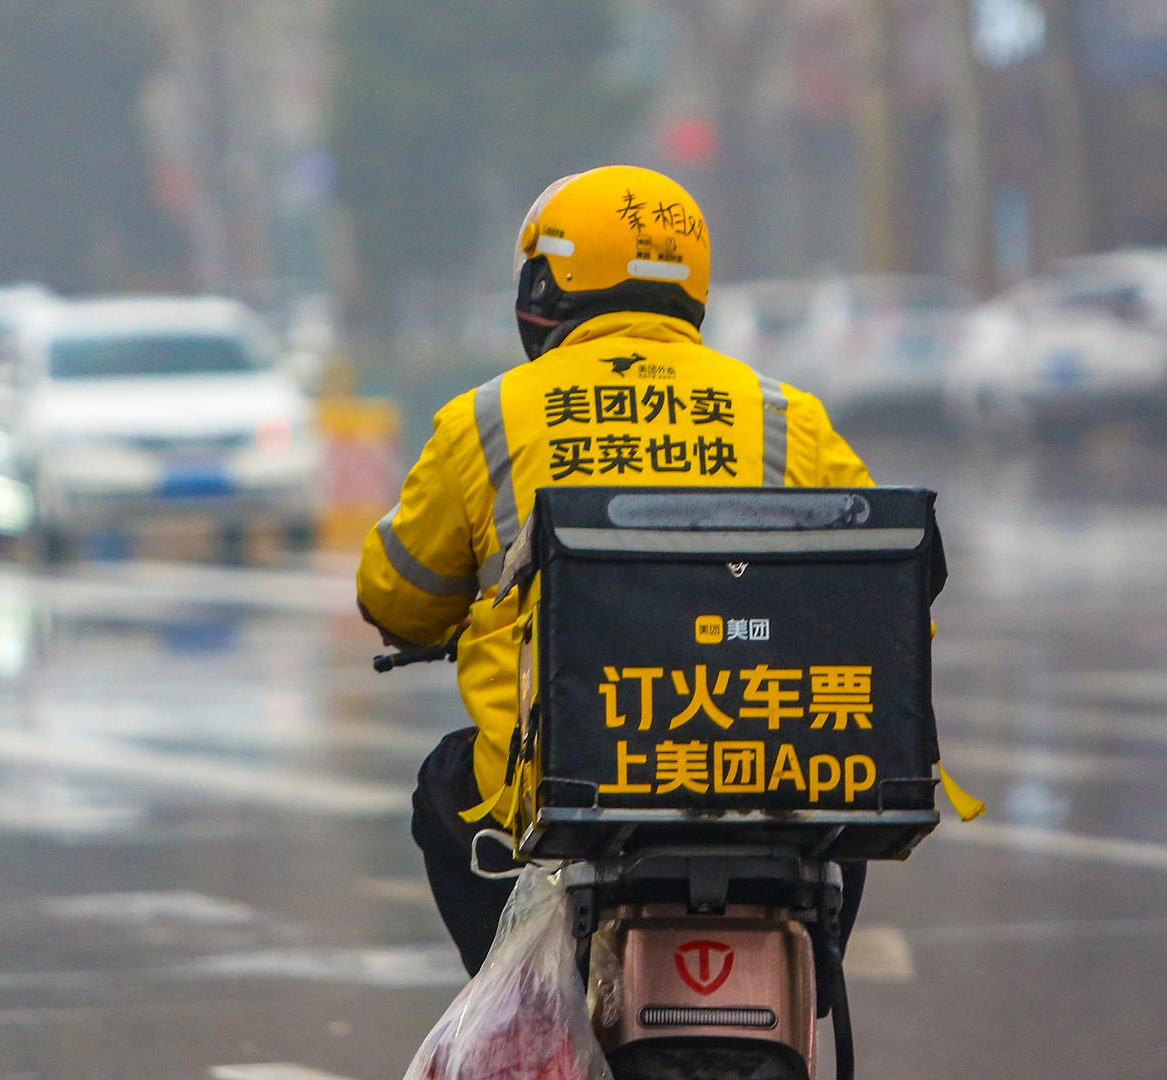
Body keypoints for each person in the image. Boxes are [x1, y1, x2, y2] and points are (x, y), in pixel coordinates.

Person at [357, 165, 876, 975]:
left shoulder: (489, 418)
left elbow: (400, 595)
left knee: (444, 786)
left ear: (547, 282)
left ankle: (514, 994)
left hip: (551, 788)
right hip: (764, 770)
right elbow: (879, 595)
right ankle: (801, 983)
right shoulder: (786, 419)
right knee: (840, 824)